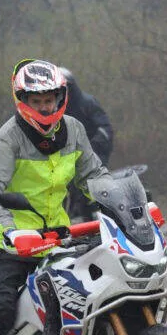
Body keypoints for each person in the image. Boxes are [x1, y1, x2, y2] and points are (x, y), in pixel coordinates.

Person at [0, 59, 109, 335]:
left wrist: (123, 204)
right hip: (11, 245)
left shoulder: (74, 130)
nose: (45, 107)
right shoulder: (9, 137)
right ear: (22, 100)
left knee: (87, 299)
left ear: (61, 97)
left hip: (57, 241)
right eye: (37, 100)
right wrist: (9, 228)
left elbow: (93, 175)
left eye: (50, 99)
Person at [57, 67, 113, 220]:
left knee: (90, 193)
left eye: (65, 87)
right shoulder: (54, 108)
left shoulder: (87, 103)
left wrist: (92, 148)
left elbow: (105, 129)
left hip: (93, 153)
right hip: (66, 158)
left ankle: (99, 219)